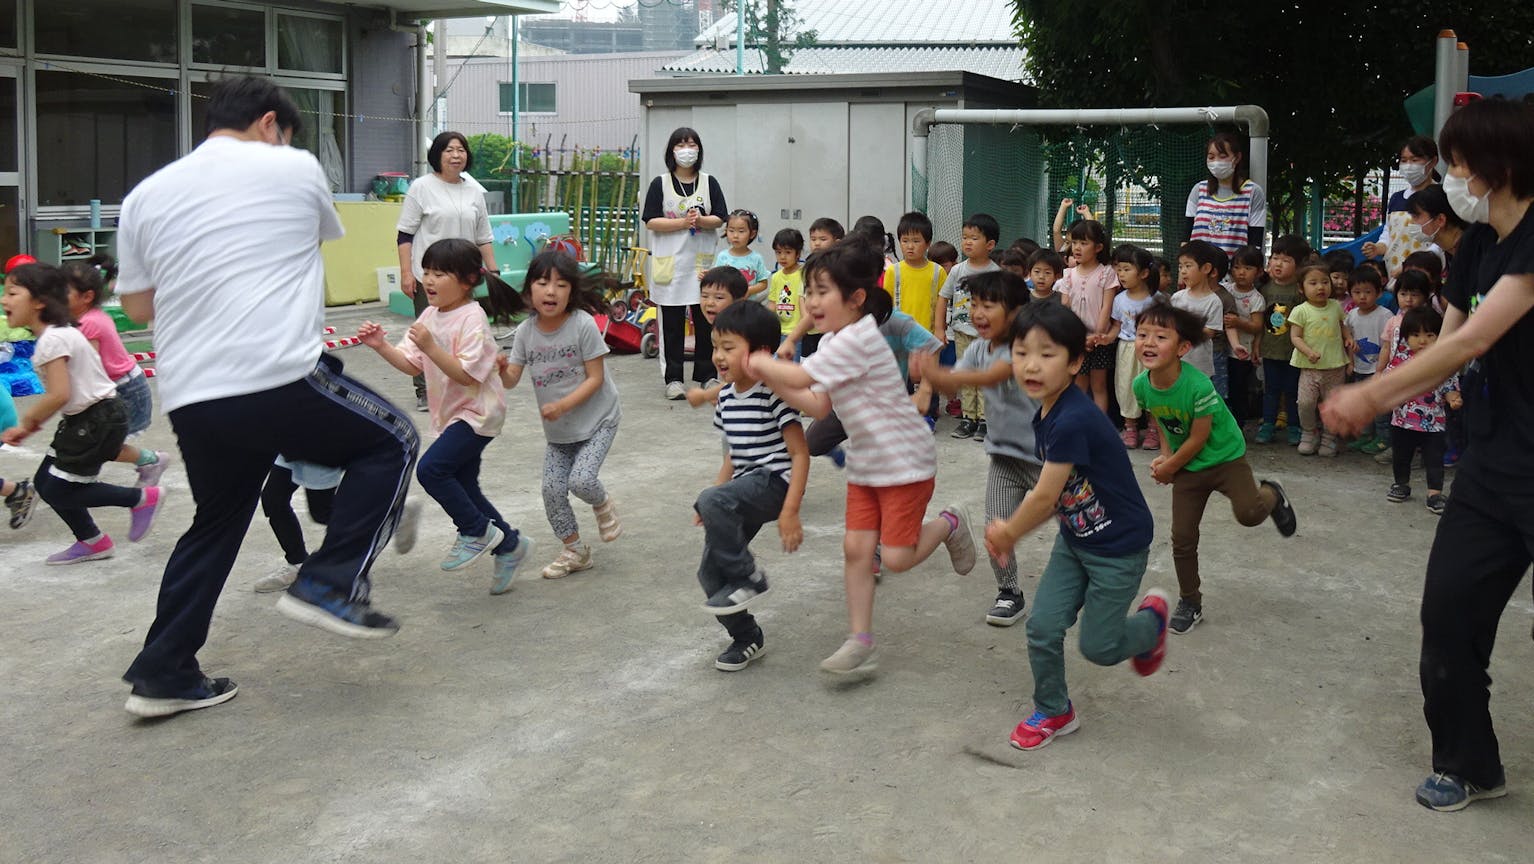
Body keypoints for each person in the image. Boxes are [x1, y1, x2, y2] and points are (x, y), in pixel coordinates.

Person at [115, 76, 421, 718]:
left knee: (217, 521)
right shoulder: (294, 168)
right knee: (392, 440)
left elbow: (138, 305)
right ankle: (332, 580)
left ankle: (163, 672)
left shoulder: (145, 195)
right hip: (272, 372)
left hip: (193, 393)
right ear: (270, 124)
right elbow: (305, 245)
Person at [1322, 98, 1534, 812]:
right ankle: (1470, 764)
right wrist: (1388, 384)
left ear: (1497, 164)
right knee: (1449, 611)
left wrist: (1371, 397)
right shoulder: (1475, 246)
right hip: (1495, 459)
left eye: (1457, 162)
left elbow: (1476, 340)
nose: (1448, 176)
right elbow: (1448, 343)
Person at [747, 240, 977, 676]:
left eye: (821, 292)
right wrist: (772, 380)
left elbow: (798, 373)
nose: (810, 302)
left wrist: (756, 363)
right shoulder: (835, 340)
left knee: (895, 558)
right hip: (869, 464)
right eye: (808, 291)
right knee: (856, 549)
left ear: (855, 299)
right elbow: (816, 405)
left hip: (905, 462)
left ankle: (950, 522)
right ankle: (860, 640)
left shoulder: (857, 338)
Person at [983, 301, 1171, 751]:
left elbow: (1045, 495)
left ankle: (1150, 624)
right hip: (1076, 540)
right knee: (1042, 627)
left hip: (1118, 548)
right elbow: (1060, 493)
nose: (1032, 364)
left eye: (1047, 354)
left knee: (1101, 649)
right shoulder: (1047, 411)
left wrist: (1009, 531)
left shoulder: (1073, 418)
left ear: (1075, 362)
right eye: (1022, 352)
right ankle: (1054, 709)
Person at [359, 239, 534, 595]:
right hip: (453, 415)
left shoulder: (473, 318)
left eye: (440, 273)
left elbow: (467, 375)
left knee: (431, 470)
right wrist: (382, 347)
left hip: (478, 414)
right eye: (426, 272)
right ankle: (509, 545)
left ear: (469, 280)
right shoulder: (429, 315)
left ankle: (475, 531)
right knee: (465, 486)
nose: (429, 280)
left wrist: (430, 346)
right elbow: (412, 364)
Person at [1133, 303, 1297, 635]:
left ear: (1182, 348)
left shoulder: (1198, 386)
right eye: (1142, 334)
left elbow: (1199, 436)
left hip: (1225, 457)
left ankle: (1272, 495)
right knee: (1182, 538)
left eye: (1160, 336)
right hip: (1188, 468)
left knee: (1250, 514)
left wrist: (1170, 467)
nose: (1148, 342)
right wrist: (1166, 456)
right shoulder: (1142, 385)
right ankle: (1191, 602)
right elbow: (1162, 421)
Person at [0, 262, 165, 564]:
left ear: (39, 302)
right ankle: (92, 541)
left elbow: (59, 394)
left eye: (12, 292)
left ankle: (141, 499)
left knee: (63, 490)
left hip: (96, 419)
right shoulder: (59, 332)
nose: (4, 299)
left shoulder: (53, 339)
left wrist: (26, 423)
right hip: (85, 418)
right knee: (46, 482)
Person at [915, 270, 1039, 626]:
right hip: (1003, 457)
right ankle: (1009, 592)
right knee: (995, 530)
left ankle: (1095, 581)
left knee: (1079, 528)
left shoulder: (1028, 345)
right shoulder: (981, 348)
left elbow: (992, 376)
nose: (977, 313)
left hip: (1047, 459)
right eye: (973, 305)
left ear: (1016, 311)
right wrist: (927, 389)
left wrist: (937, 376)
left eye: (988, 306)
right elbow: (957, 383)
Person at [693, 301, 809, 671]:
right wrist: (710, 500)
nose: (719, 357)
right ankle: (747, 637)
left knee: (714, 503)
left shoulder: (774, 393)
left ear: (759, 354)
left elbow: (801, 454)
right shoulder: (726, 397)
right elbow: (733, 455)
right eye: (715, 347)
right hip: (745, 489)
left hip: (774, 484)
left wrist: (790, 510)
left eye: (729, 348)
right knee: (709, 574)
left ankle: (749, 576)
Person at [501, 251, 623, 580]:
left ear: (572, 291)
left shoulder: (581, 324)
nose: (551, 291)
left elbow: (596, 379)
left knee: (582, 480)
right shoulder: (526, 332)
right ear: (529, 291)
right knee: (552, 491)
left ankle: (602, 503)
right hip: (560, 431)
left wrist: (562, 405)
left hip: (599, 419)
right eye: (542, 283)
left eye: (561, 284)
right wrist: (499, 369)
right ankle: (575, 550)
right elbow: (511, 380)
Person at [396, 131, 497, 413]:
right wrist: (406, 273)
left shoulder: (474, 191)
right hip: (430, 275)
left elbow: (484, 236)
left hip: (465, 276)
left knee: (463, 330)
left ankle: (460, 381)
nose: (456, 155)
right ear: (437, 155)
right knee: (427, 330)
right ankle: (425, 389)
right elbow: (404, 235)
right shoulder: (421, 187)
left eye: (461, 150)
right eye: (449, 150)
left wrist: (494, 270)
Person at [60, 256, 171, 486]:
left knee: (104, 445)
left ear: (86, 296)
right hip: (116, 387)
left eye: (62, 290)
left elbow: (87, 367)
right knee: (100, 443)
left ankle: (152, 460)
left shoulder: (88, 323)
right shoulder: (85, 317)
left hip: (125, 390)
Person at [642, 127, 726, 400]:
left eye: (691, 144)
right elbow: (651, 220)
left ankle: (706, 374)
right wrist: (682, 222)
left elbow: (721, 217)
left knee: (706, 321)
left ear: (699, 149)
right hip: (671, 266)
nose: (686, 149)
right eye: (681, 144)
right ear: (672, 151)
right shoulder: (661, 183)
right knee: (672, 325)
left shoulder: (709, 182)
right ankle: (673, 379)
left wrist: (701, 221)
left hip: (701, 264)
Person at [1382, 306, 1459, 514]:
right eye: (1415, 335)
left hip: (1434, 422)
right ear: (1406, 337)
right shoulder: (1399, 360)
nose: (1422, 340)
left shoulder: (1442, 360)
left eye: (1429, 334)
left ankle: (1434, 493)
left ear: (1438, 336)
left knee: (1434, 458)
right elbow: (1389, 382)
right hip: (1402, 419)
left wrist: (1452, 397)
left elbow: (1449, 383)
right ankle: (1401, 484)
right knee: (1401, 455)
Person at [938, 213, 1000, 440]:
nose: (967, 242)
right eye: (965, 237)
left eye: (974, 238)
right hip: (962, 332)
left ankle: (985, 420)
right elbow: (943, 298)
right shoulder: (957, 270)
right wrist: (939, 329)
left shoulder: (995, 273)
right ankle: (968, 417)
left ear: (990, 244)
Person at [251, 457, 341, 593]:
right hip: (291, 445)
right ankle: (298, 563)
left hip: (320, 447)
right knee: (273, 500)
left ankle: (372, 526)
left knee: (321, 512)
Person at [1255, 235, 1312, 445]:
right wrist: (1256, 345)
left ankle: (1294, 427)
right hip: (1270, 351)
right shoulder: (1265, 289)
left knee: (1292, 391)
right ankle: (1267, 425)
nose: (1278, 263)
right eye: (1275, 257)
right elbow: (1260, 322)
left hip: (1294, 352)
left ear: (1299, 265)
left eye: (1286, 260)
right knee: (1270, 391)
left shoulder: (1301, 291)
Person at [1059, 220, 1119, 413]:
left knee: (1099, 386)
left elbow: (1106, 307)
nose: (1077, 248)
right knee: (1078, 385)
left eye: (1084, 243)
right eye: (1074, 242)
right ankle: (1073, 423)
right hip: (1076, 339)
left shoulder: (1106, 273)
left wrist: (1097, 335)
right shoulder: (1068, 274)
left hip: (1100, 340)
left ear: (1098, 247)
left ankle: (1098, 428)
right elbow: (1065, 308)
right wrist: (1078, 337)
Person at [1289, 262, 1347, 457]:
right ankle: (1309, 431)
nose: (1320, 287)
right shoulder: (1300, 310)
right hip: (1309, 367)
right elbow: (1295, 337)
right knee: (1305, 402)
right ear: (1301, 288)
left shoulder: (1335, 306)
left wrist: (1349, 338)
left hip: (1335, 366)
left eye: (1324, 282)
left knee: (1332, 403)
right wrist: (1308, 352)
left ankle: (1330, 436)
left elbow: (1342, 325)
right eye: (1313, 283)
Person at [1362, 136, 1441, 277]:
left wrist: (1415, 265)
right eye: (1404, 160)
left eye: (1415, 160)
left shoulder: (1441, 196)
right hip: (1395, 278)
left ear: (1433, 162)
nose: (1409, 165)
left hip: (1427, 277)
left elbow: (1443, 240)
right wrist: (1377, 248)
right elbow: (1388, 233)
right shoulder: (1396, 198)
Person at [1109, 244, 1161, 449]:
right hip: (1127, 349)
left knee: (1153, 388)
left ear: (1144, 273)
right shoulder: (1119, 300)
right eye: (1118, 269)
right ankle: (1130, 428)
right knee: (1126, 388)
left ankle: (1153, 430)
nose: (1121, 274)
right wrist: (1105, 338)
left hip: (1152, 350)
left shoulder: (1156, 300)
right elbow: (1116, 326)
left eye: (1126, 269)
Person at [1185, 132, 1267, 255]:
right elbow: (1186, 237)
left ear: (1237, 157)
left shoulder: (1253, 192)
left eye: (1222, 156)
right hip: (1200, 271)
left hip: (1235, 271)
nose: (1216, 162)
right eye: (1211, 157)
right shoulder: (1198, 189)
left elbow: (1255, 243)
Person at [1342, 267, 1394, 455]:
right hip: (1359, 368)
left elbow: (1389, 344)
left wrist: (1385, 368)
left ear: (1378, 293)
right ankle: (1365, 434)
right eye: (1357, 292)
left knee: (1379, 406)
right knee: (1363, 405)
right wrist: (1351, 363)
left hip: (1378, 369)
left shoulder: (1385, 315)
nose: (1362, 297)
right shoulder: (1352, 316)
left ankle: (1383, 437)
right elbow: (1348, 341)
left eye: (1368, 292)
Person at [1171, 240, 1233, 393]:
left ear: (1206, 268)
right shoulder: (1177, 297)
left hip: (1200, 366)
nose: (1183, 271)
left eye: (1188, 266)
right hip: (1175, 362)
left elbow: (1209, 332)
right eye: (1180, 266)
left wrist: (1183, 331)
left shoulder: (1214, 301)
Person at [686, 266, 751, 410]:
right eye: (704, 296)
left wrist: (705, 395)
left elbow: (744, 379)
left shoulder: (741, 331)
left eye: (719, 297)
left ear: (739, 300)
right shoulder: (719, 328)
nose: (709, 302)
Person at [776, 219, 843, 360]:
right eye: (813, 239)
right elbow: (803, 297)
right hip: (809, 331)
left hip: (830, 329)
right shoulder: (809, 267)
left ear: (837, 243)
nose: (817, 243)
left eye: (823, 239)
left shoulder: (840, 269)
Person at [882, 211, 946, 334]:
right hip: (900, 336)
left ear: (928, 243)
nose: (910, 246)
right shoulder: (893, 271)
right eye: (905, 241)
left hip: (928, 336)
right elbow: (887, 305)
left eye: (916, 241)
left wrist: (940, 330)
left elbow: (942, 306)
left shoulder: (938, 272)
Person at [1225, 245, 1267, 425]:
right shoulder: (1226, 290)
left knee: (1238, 388)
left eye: (1248, 268)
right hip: (1222, 348)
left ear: (1258, 272)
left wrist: (1238, 323)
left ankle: (1238, 423)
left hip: (1242, 353)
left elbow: (1257, 326)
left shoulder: (1256, 298)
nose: (1241, 272)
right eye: (1237, 267)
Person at [712, 209, 769, 303]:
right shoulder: (722, 256)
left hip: (748, 306)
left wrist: (748, 291)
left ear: (752, 234)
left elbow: (763, 284)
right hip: (726, 306)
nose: (735, 235)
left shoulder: (756, 258)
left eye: (741, 231)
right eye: (731, 230)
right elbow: (717, 280)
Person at [767, 227, 806, 343]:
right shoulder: (775, 277)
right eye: (778, 252)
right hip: (780, 331)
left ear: (798, 253)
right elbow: (773, 303)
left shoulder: (803, 274)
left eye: (788, 252)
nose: (782, 257)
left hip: (798, 331)